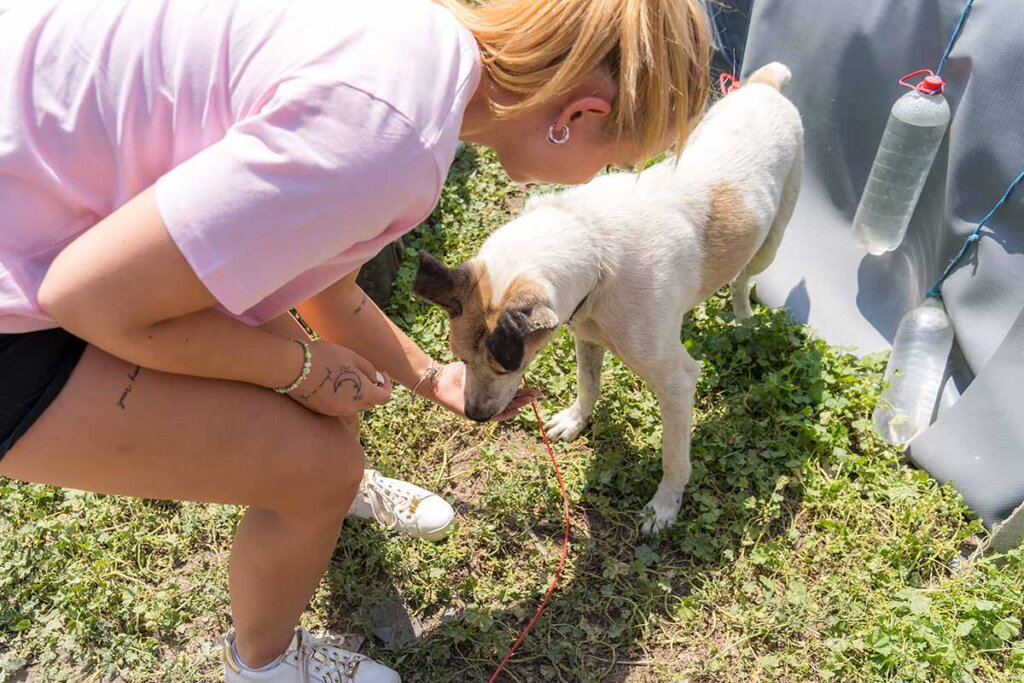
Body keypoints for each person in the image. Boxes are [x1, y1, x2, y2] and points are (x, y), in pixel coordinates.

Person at [0, 0, 710, 680]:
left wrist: (432, 376)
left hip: (49, 195)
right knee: (320, 464)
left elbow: (315, 277)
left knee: (321, 409)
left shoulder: (414, 43)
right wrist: (301, 368)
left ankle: (314, 492)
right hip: (32, 282)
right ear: (579, 116)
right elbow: (88, 298)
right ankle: (265, 661)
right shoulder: (390, 141)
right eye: (615, 160)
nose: (603, 177)